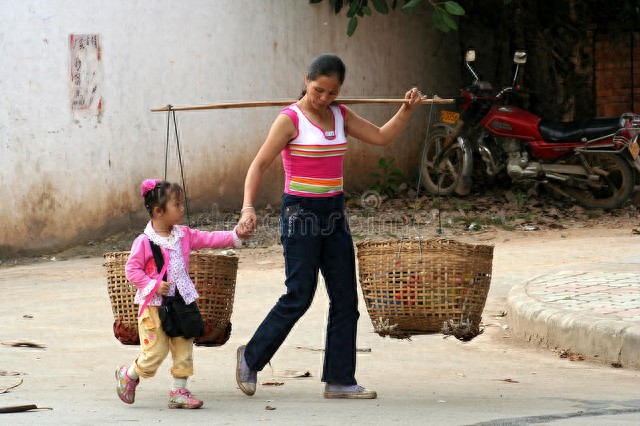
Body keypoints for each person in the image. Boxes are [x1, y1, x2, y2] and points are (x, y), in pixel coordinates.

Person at [235, 53, 425, 399]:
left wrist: (407, 110)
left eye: (332, 93)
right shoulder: (289, 120)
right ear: (306, 81)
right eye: (318, 90)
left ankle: (339, 379)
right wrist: (248, 207)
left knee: (345, 299)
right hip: (301, 214)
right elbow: (259, 164)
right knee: (299, 295)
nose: (324, 99)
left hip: (334, 213)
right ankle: (250, 357)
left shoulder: (341, 115)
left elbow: (382, 137)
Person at [116, 179, 248, 408]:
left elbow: (210, 239)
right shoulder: (144, 242)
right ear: (158, 211)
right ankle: (129, 374)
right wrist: (154, 284)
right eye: (177, 204)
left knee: (184, 346)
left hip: (182, 303)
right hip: (154, 307)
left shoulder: (184, 235)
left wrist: (236, 235)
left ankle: (179, 390)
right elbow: (132, 270)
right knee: (154, 353)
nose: (182, 208)